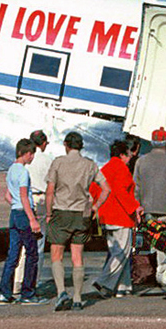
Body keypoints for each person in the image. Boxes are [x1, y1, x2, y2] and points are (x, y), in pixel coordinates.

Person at [44, 132, 109, 312]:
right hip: (82, 213)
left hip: (61, 211)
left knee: (56, 253)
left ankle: (61, 293)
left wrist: (49, 213)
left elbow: (50, 191)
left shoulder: (58, 162)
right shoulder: (90, 164)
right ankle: (78, 298)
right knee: (77, 256)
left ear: (66, 144)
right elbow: (106, 189)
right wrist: (95, 206)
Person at [134, 128, 166, 289]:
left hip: (147, 209)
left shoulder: (141, 161)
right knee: (165, 241)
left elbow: (136, 187)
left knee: (152, 241)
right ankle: (164, 273)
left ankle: (153, 272)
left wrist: (137, 206)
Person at [0, 138, 44, 305]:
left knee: (13, 255)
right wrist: (32, 218)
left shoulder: (11, 169)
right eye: (32, 155)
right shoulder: (23, 172)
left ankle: (4, 293)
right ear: (26, 154)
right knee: (32, 254)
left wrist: (16, 206)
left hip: (14, 214)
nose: (32, 158)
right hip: (24, 214)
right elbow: (24, 196)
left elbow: (8, 196)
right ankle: (28, 293)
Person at [92, 140, 141, 298]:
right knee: (122, 252)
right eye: (128, 154)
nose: (131, 157)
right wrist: (135, 207)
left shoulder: (105, 168)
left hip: (106, 216)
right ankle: (103, 281)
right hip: (121, 216)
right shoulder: (122, 168)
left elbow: (94, 188)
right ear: (122, 155)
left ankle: (123, 286)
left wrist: (98, 208)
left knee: (117, 251)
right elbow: (121, 191)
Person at [13, 130, 55, 296]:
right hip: (42, 201)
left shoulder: (24, 160)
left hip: (24, 201)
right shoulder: (48, 160)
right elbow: (52, 184)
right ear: (43, 143)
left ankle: (17, 281)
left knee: (23, 244)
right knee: (38, 243)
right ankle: (32, 281)